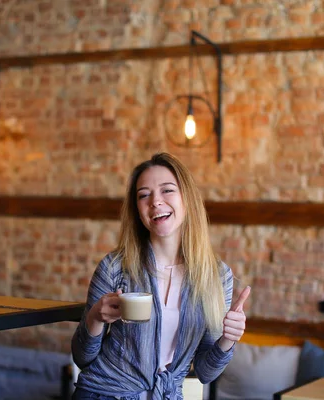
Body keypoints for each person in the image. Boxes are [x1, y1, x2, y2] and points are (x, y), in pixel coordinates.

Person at [71, 152, 251, 399]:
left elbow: (205, 372)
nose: (155, 201)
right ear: (137, 210)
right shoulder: (114, 267)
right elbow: (82, 358)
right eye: (144, 195)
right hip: (103, 394)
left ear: (186, 197)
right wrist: (94, 318)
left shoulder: (217, 276)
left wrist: (228, 340)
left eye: (167, 190)